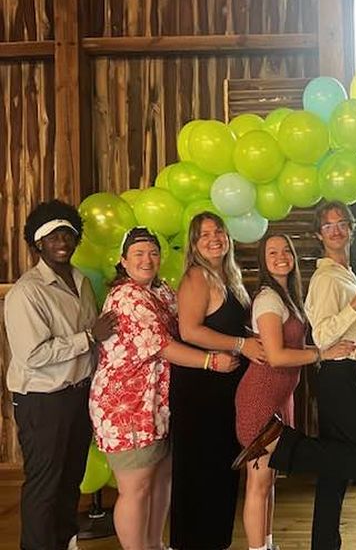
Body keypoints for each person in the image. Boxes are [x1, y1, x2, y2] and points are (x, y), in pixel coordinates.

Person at [235, 201, 356, 550]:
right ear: (318, 234)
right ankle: (282, 447)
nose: (336, 229)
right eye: (328, 226)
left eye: (342, 223)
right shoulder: (326, 278)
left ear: (351, 228)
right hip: (337, 375)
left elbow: (346, 327)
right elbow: (325, 335)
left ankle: (325, 543)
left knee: (335, 470)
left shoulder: (337, 277)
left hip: (337, 374)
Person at [89, 228, 239, 550]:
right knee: (137, 488)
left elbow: (189, 325)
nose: (147, 259)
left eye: (153, 253)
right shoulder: (127, 296)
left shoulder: (162, 291)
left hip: (157, 404)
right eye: (139, 253)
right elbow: (164, 346)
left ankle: (156, 544)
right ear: (123, 260)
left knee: (160, 481)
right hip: (127, 408)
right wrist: (212, 362)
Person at [5, 200, 116, 550]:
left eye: (68, 233)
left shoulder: (81, 281)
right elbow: (33, 354)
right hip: (43, 401)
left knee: (70, 483)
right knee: (44, 488)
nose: (62, 241)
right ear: (38, 243)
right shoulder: (28, 292)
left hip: (77, 396)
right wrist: (88, 338)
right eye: (53, 235)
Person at [170, 212, 261, 550]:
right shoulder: (196, 276)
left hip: (226, 385)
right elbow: (189, 330)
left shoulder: (230, 276)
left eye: (218, 231)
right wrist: (241, 345)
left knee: (222, 472)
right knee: (201, 473)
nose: (213, 238)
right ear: (194, 244)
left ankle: (216, 542)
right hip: (200, 387)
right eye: (204, 234)